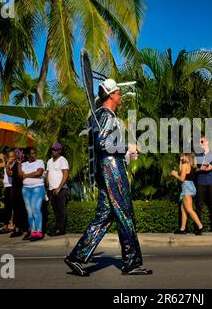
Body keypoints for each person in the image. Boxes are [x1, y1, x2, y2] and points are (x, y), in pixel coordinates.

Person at [64, 78, 152, 276]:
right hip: (112, 170)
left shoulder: (101, 115)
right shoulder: (106, 115)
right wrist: (127, 147)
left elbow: (105, 146)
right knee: (125, 214)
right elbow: (104, 144)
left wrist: (126, 154)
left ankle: (76, 256)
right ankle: (132, 262)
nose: (120, 96)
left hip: (108, 167)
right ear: (111, 95)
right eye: (119, 93)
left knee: (105, 216)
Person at [195, 136, 212, 233]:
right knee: (199, 205)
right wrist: (200, 169)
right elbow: (193, 169)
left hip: (211, 182)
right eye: (199, 142)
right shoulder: (197, 154)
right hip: (200, 182)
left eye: (202, 141)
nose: (200, 144)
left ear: (207, 142)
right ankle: (198, 228)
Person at [171, 153, 204, 235]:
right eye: (181, 156)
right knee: (183, 209)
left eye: (183, 156)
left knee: (189, 209)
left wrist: (175, 175)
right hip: (190, 186)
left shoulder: (185, 165)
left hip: (186, 187)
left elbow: (182, 179)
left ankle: (200, 226)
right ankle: (182, 229)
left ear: (187, 157)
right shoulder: (191, 165)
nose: (181, 157)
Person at [18, 147, 46, 242]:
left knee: (36, 209)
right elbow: (19, 175)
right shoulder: (23, 164)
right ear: (27, 155)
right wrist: (18, 163)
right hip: (26, 189)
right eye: (32, 153)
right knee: (29, 212)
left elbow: (39, 173)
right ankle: (33, 232)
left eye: (35, 153)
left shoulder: (39, 162)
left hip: (38, 188)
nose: (34, 155)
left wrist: (26, 175)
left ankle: (39, 232)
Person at [46, 142, 69, 236]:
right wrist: (48, 187)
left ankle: (60, 230)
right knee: (56, 211)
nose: (53, 151)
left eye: (55, 150)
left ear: (60, 151)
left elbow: (66, 175)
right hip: (51, 189)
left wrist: (59, 188)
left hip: (61, 189)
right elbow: (48, 174)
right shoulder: (49, 161)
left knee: (61, 210)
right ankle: (57, 228)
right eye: (52, 149)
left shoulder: (63, 160)